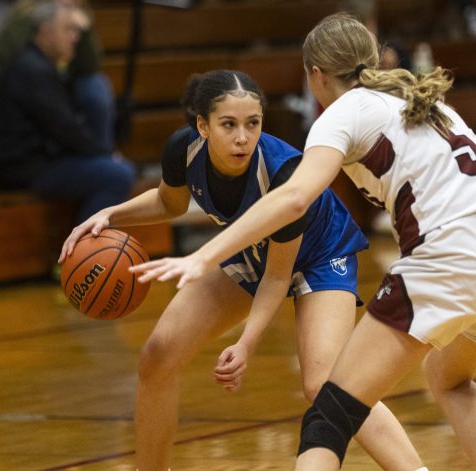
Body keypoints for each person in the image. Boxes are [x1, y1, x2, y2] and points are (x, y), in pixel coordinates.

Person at [130, 14, 476, 471]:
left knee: (329, 411)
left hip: (451, 255)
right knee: (449, 379)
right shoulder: (424, 103)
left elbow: (294, 199)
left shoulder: (343, 113)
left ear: (315, 76)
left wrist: (203, 255)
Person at [60, 70, 426, 471]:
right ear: (202, 125)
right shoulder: (184, 151)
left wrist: (246, 343)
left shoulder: (282, 172)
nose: (242, 137)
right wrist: (110, 215)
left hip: (321, 254)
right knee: (158, 354)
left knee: (324, 382)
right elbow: (169, 204)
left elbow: (277, 276)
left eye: (252, 124)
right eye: (228, 124)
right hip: (255, 251)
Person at [0, 0, 134, 224]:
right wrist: (104, 154)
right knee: (118, 175)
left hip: (33, 161)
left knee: (94, 87)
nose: (76, 37)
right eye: (68, 30)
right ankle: (78, 255)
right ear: (45, 33)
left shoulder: (38, 64)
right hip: (22, 169)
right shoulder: (32, 70)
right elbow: (64, 128)